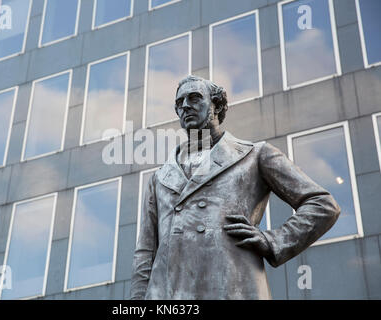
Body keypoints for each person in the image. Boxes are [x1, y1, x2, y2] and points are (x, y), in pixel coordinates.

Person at [130, 75, 340, 299]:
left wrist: (273, 241)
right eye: (179, 102)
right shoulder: (160, 177)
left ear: (217, 105)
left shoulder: (255, 155)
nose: (185, 106)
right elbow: (145, 252)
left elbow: (322, 205)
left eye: (194, 98)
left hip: (231, 287)